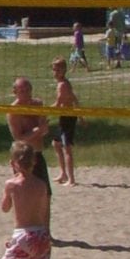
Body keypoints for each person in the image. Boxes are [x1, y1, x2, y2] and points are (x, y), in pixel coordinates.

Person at [49, 58, 80, 187]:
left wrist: (43, 112)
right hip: (64, 117)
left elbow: (58, 103)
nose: (55, 72)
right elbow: (74, 98)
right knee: (56, 144)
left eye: (58, 69)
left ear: (64, 70)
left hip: (68, 118)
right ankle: (63, 173)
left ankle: (71, 179)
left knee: (66, 148)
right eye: (54, 69)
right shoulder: (63, 83)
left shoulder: (63, 85)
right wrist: (81, 115)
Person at [6, 78, 48, 152]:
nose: (26, 94)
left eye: (28, 90)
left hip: (38, 152)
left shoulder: (38, 104)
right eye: (22, 91)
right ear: (15, 92)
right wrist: (37, 131)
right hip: (23, 154)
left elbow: (45, 131)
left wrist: (41, 129)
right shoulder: (13, 111)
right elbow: (18, 138)